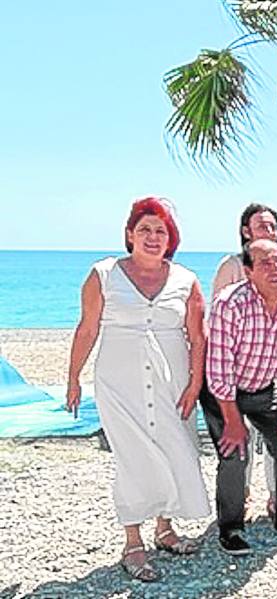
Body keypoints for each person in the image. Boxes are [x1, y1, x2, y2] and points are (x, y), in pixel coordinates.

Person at [65, 197, 210, 582]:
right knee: (132, 456)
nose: (152, 236)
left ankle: (164, 529)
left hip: (172, 382)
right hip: (118, 383)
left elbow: (198, 337)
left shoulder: (186, 280)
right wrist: (72, 377)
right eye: (144, 229)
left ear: (170, 239)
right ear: (130, 234)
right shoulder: (103, 274)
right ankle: (133, 541)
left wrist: (195, 383)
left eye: (160, 231)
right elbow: (87, 328)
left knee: (173, 449)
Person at [201, 239, 277, 557]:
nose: (275, 269)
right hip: (222, 392)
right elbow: (219, 368)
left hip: (263, 390)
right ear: (248, 271)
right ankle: (231, 528)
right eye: (265, 263)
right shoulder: (230, 304)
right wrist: (232, 420)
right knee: (235, 452)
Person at [211, 203, 277, 516]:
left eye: (272, 226)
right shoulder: (231, 266)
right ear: (245, 231)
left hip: (272, 364)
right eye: (261, 225)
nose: (268, 230)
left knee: (276, 436)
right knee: (239, 434)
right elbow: (216, 317)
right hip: (235, 367)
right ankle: (238, 496)